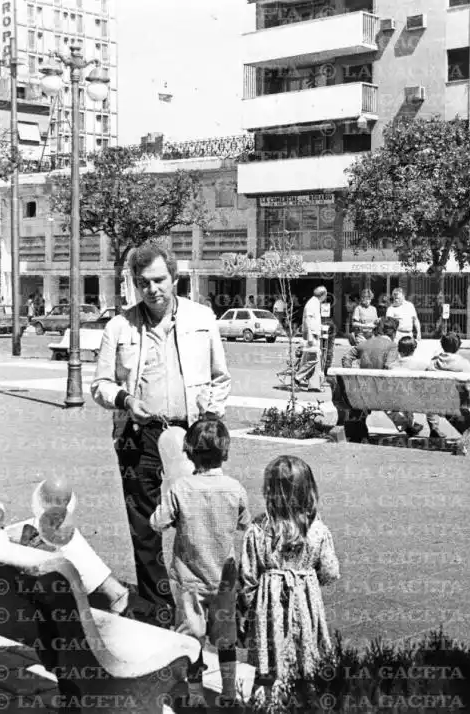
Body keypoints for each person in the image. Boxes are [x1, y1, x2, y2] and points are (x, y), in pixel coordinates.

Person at [0, 401, 164, 624]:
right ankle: (119, 598)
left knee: (50, 525)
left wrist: (15, 534)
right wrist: (11, 540)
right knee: (59, 534)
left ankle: (117, 597)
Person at [91, 241, 231, 612]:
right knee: (145, 527)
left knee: (199, 524)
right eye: (143, 283)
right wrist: (124, 401)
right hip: (139, 437)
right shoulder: (120, 326)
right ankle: (158, 607)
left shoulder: (202, 319)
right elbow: (100, 383)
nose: (152, 290)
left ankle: (205, 601)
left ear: (175, 278)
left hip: (191, 435)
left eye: (159, 280)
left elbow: (221, 377)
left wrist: (210, 418)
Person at [150, 419, 250, 706]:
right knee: (226, 636)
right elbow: (243, 523)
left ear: (189, 453)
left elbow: (158, 522)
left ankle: (195, 696)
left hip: (189, 577)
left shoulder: (180, 488)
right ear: (225, 453)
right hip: (224, 578)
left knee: (192, 637)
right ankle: (229, 692)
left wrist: (165, 489)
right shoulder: (235, 487)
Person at [238, 455, 340, 705]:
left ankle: (264, 704)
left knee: (267, 665)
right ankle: (306, 703)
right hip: (305, 608)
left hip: (268, 613)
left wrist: (249, 611)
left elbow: (248, 577)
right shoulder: (317, 530)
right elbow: (330, 573)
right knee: (306, 659)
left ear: (269, 492)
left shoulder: (259, 529)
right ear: (309, 490)